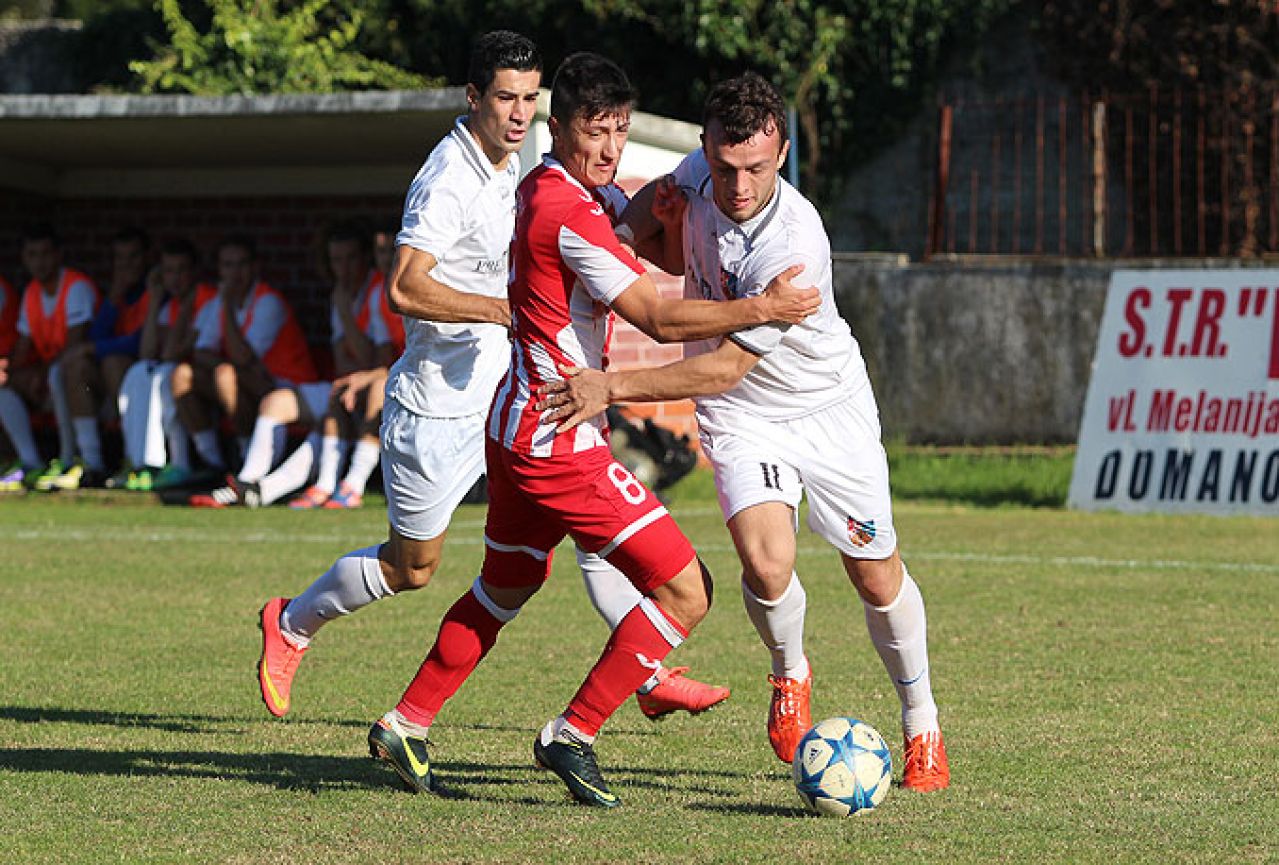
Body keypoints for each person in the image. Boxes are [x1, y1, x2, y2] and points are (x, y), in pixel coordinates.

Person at [255, 34, 761, 734]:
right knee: (413, 567)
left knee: (590, 524)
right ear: (473, 98)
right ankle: (290, 620)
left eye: (529, 97)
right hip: (438, 402)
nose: (518, 113)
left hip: (514, 392)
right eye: (504, 98)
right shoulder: (448, 177)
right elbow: (405, 286)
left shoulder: (523, 168)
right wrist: (506, 309)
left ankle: (644, 668)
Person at [364, 52, 821, 808]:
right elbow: (658, 314)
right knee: (685, 590)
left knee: (506, 584)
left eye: (619, 131)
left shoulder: (548, 185)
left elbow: (629, 238)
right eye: (592, 131)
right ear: (559, 126)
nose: (608, 149)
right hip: (557, 438)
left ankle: (405, 721)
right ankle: (571, 733)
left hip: (516, 423)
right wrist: (760, 307)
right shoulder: (567, 211)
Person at [539, 72, 950, 792]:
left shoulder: (793, 249)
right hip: (744, 419)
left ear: (782, 154)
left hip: (823, 408)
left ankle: (922, 721)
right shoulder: (699, 170)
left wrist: (612, 384)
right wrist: (637, 229)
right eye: (724, 167)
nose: (736, 185)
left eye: (756, 169)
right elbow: (661, 242)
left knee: (874, 573)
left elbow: (720, 367)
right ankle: (789, 672)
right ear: (704, 148)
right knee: (765, 564)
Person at [191, 223, 400, 508]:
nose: (344, 268)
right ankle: (249, 482)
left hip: (384, 382)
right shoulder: (342, 294)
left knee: (351, 400)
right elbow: (343, 362)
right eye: (337, 260)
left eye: (351, 258)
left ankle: (342, 486)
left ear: (365, 259)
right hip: (348, 383)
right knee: (276, 403)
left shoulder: (378, 289)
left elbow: (370, 360)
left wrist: (344, 313)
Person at [172, 234, 317, 480]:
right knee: (182, 375)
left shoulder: (268, 300)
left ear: (254, 267)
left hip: (289, 386)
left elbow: (242, 357)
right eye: (228, 265)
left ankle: (245, 454)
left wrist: (226, 306)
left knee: (225, 374)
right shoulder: (221, 301)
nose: (235, 273)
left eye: (241, 264)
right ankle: (212, 462)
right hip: (253, 381)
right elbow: (201, 351)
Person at [46, 227, 154, 489]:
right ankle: (90, 463)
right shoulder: (117, 294)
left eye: (133, 257)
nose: (126, 265)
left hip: (143, 383)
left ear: (146, 258)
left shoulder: (156, 291)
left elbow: (139, 344)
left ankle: (133, 459)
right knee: (75, 366)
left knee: (113, 361)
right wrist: (114, 296)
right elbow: (95, 335)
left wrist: (94, 349)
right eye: (120, 259)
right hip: (108, 389)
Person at [111, 237, 219, 491]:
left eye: (182, 270)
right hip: (179, 381)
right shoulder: (168, 304)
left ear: (194, 273)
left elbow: (172, 353)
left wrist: (188, 304)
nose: (175, 278)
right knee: (139, 372)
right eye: (169, 271)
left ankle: (178, 463)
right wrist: (154, 298)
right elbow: (148, 351)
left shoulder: (208, 299)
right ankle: (139, 463)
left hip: (205, 385)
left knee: (166, 374)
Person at [0, 224, 99, 491]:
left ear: (58, 255)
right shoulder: (32, 292)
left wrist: (39, 375)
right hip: (50, 372)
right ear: (24, 258)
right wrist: (6, 368)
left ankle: (77, 460)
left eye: (45, 254)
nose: (39, 262)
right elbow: (22, 347)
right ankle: (29, 462)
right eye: (32, 254)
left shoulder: (75, 286)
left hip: (91, 376)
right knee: (3, 383)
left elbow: (74, 344)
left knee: (61, 372)